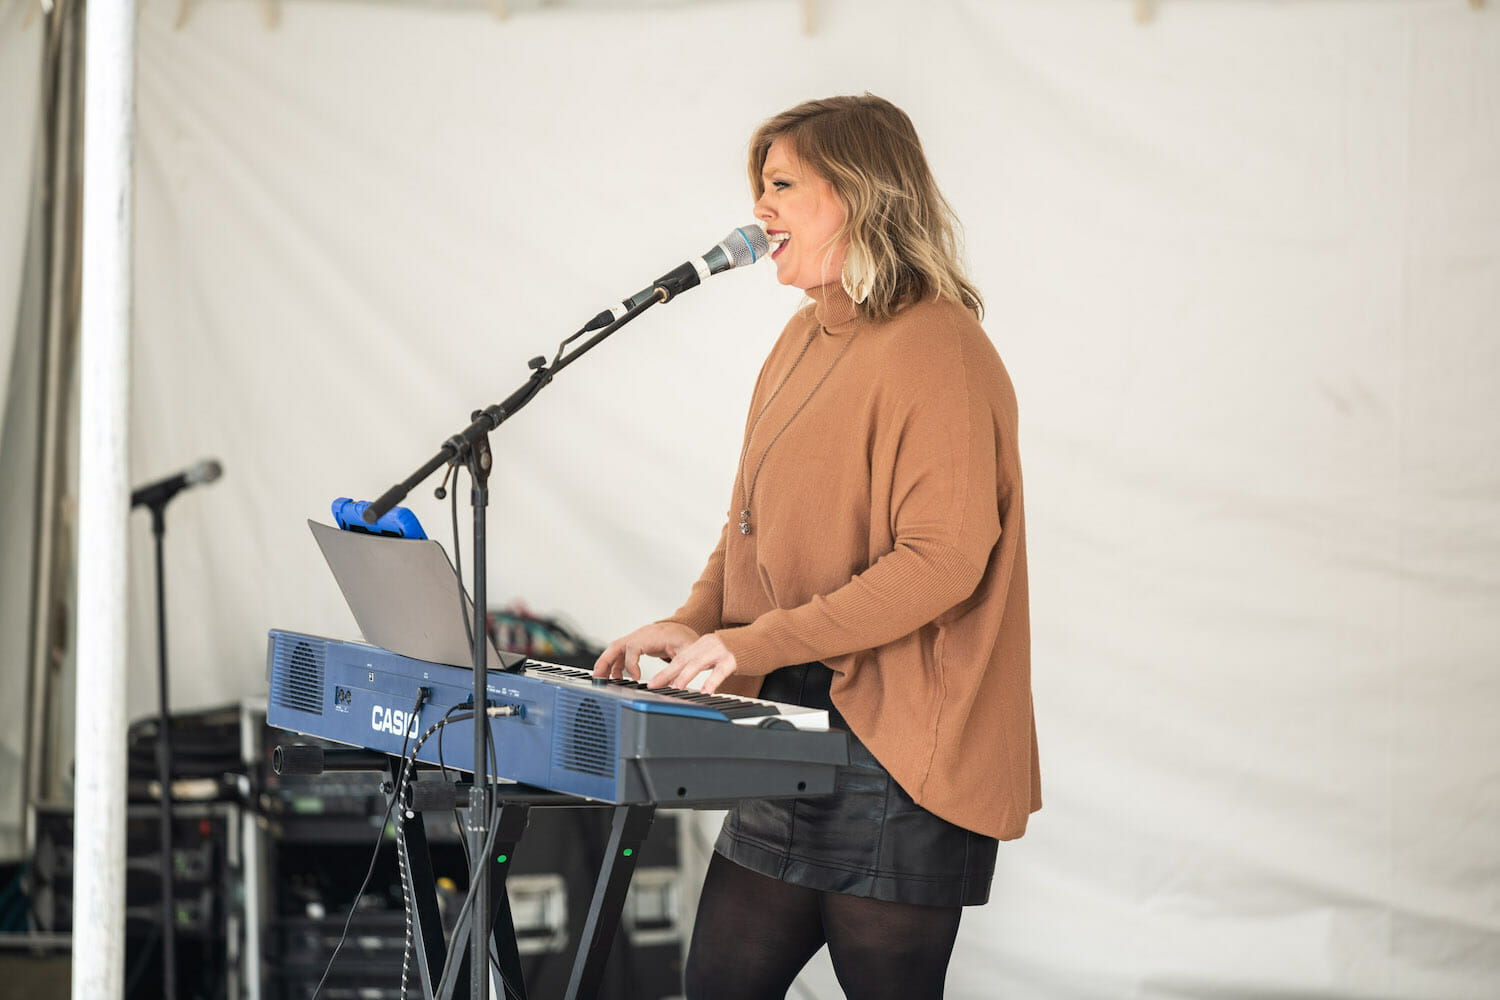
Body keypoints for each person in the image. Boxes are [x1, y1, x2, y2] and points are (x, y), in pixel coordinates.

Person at [593, 93, 1039, 1000]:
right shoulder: (801, 338)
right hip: (792, 729)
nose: (761, 210)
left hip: (897, 752)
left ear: (860, 192)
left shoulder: (937, 347)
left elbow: (943, 561)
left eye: (783, 185)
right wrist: (692, 623)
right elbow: (747, 525)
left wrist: (750, 645)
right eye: (761, 186)